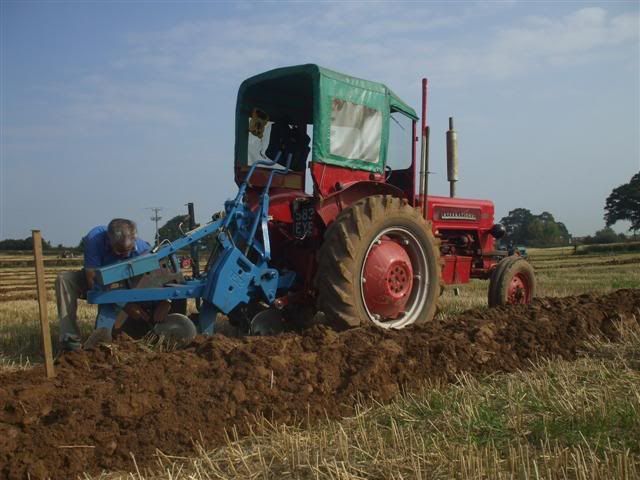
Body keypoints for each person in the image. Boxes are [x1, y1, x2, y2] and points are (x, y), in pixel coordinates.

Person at [55, 218, 153, 351]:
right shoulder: (95, 239)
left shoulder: (143, 249)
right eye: (119, 251)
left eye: (128, 251)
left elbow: (156, 279)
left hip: (127, 283)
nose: (125, 255)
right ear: (109, 239)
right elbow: (92, 282)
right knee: (64, 280)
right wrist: (124, 304)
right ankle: (70, 339)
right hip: (100, 280)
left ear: (135, 239)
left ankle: (110, 334)